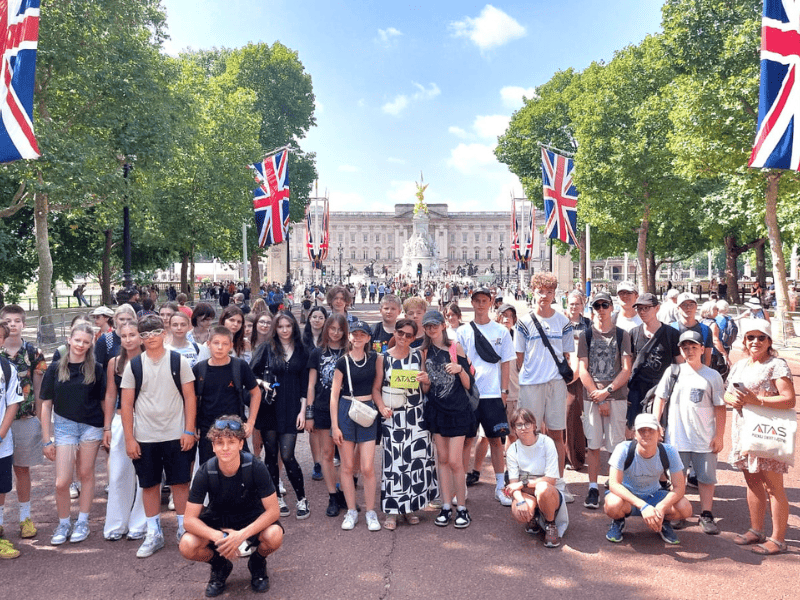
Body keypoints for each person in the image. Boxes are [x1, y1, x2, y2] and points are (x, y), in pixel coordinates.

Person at [120, 315, 197, 558]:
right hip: (145, 437)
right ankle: (153, 532)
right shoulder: (134, 366)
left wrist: (189, 430)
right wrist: (130, 439)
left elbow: (190, 397)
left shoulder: (178, 361)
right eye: (144, 335)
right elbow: (126, 404)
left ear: (164, 333)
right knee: (149, 485)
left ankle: (184, 529)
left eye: (154, 332)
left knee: (180, 483)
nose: (150, 338)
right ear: (140, 339)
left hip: (176, 434)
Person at [179, 416, 283, 596]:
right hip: (219, 520)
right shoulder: (205, 471)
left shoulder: (255, 467)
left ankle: (257, 562)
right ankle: (220, 565)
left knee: (274, 535)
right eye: (219, 443)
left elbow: (274, 511)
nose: (225, 448)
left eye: (231, 442)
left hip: (251, 517)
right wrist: (221, 537)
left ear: (241, 444)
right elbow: (188, 520)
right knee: (187, 545)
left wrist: (241, 535)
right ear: (213, 446)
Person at [723, 319, 795, 555]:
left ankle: (778, 539)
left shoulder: (777, 365)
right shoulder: (740, 365)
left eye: (761, 337)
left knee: (773, 486)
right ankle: (756, 529)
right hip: (744, 431)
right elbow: (727, 392)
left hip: (767, 433)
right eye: (750, 337)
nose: (755, 341)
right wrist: (730, 399)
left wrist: (759, 401)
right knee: (752, 482)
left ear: (769, 341)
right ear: (744, 341)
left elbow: (789, 399)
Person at [653, 330, 725, 535]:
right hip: (678, 436)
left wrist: (719, 436)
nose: (689, 351)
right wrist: (656, 423)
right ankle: (679, 511)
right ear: (680, 350)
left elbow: (720, 408)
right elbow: (660, 398)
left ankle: (706, 513)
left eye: (694, 347)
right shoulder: (673, 371)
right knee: (678, 477)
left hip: (704, 437)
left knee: (706, 478)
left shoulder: (712, 376)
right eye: (685, 347)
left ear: (702, 349)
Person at [40, 322, 106, 545]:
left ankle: (83, 522)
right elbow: (46, 405)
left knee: (85, 473)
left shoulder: (96, 368)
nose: (80, 345)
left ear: (91, 344)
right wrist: (46, 439)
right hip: (64, 426)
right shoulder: (55, 368)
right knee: (62, 482)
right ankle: (63, 523)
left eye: (86, 342)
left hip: (91, 426)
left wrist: (107, 429)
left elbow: (104, 401)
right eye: (77, 340)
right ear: (69, 340)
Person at [515, 273, 574, 502]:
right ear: (533, 292)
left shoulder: (563, 322)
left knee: (557, 433)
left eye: (549, 292)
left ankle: (558, 482)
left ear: (554, 294)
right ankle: (529, 482)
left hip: (556, 383)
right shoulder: (524, 322)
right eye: (541, 291)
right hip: (531, 383)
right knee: (529, 433)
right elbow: (519, 356)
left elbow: (566, 354)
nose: (545, 296)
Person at [250, 311, 310, 520]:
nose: (284, 330)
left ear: (294, 327)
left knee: (287, 455)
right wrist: (263, 383)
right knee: (271, 455)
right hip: (270, 407)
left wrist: (303, 411)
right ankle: (276, 498)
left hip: (292, 408)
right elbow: (250, 374)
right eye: (280, 326)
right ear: (275, 328)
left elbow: (305, 384)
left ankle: (302, 498)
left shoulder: (302, 350)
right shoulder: (266, 348)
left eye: (288, 326)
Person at [457, 288, 514, 505]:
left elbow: (506, 363)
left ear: (490, 303)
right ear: (472, 303)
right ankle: (461, 486)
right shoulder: (463, 331)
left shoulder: (501, 331)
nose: (481, 304)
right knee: (466, 441)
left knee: (496, 441)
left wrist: (504, 391)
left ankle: (500, 487)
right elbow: (460, 363)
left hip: (492, 394)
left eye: (484, 301)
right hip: (470, 393)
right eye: (477, 301)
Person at [380, 317, 437, 530]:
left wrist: (426, 381)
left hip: (416, 417)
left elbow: (425, 390)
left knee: (415, 463)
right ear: (394, 332)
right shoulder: (383, 358)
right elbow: (376, 388)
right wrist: (381, 408)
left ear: (414, 338)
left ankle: (411, 507)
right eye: (400, 332)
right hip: (393, 417)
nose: (403, 337)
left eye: (409, 335)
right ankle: (392, 511)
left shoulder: (418, 355)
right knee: (394, 463)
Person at [330, 320, 388, 531]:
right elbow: (334, 395)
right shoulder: (342, 362)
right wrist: (335, 426)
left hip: (367, 412)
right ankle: (351, 510)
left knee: (367, 467)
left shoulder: (376, 359)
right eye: (355, 334)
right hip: (347, 410)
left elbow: (377, 387)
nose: (358, 338)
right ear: (350, 336)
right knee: (346, 467)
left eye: (362, 334)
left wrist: (381, 407)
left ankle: (371, 511)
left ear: (368, 338)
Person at [418, 311, 474, 528]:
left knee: (454, 461)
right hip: (437, 410)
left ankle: (462, 508)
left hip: (458, 410)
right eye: (427, 326)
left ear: (443, 325)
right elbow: (426, 389)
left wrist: (459, 369)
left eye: (435, 325)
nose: (431, 329)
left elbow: (469, 383)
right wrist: (425, 381)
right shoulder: (424, 351)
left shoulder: (454, 347)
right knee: (441, 459)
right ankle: (446, 505)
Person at [577, 292, 632, 510]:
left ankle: (613, 485)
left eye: (605, 305)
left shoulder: (622, 335)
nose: (601, 309)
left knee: (615, 446)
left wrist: (606, 393)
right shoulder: (586, 335)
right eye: (597, 306)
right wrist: (598, 397)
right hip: (592, 398)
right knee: (593, 445)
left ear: (611, 307)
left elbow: (626, 369)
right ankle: (593, 487)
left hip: (616, 396)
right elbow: (582, 369)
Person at [604, 413, 692, 545]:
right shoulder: (623, 449)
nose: (646, 434)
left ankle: (663, 521)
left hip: (654, 495)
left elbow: (679, 488)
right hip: (628, 498)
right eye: (642, 430)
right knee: (612, 504)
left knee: (685, 508)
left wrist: (662, 507)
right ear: (634, 434)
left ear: (659, 432)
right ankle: (618, 520)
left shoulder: (669, 451)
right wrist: (643, 506)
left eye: (651, 430)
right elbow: (613, 484)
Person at [0, 305, 47, 541]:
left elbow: (38, 390)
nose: (12, 325)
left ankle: (25, 518)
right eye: (8, 321)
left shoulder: (33, 353)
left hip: (24, 419)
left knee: (22, 470)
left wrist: (41, 421)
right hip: (1, 421)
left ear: (24, 324)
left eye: (17, 321)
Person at [101, 320, 147, 541]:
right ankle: (116, 523)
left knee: (145, 474)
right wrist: (107, 426)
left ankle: (140, 523)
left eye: (132, 335)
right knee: (119, 473)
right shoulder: (115, 363)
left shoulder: (149, 359)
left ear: (140, 336)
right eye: (124, 336)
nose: (128, 339)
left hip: (146, 420)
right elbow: (110, 394)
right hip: (120, 420)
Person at [192, 327, 260, 466]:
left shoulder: (239, 366)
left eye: (224, 343)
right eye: (216, 343)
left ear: (231, 346)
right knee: (210, 470)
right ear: (208, 344)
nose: (220, 347)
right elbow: (192, 399)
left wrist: (251, 422)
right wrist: (193, 425)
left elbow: (256, 393)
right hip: (208, 431)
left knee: (240, 468)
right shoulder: (199, 369)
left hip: (235, 428)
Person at [305, 314, 349, 517]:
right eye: (332, 328)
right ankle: (333, 495)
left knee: (347, 456)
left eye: (340, 329)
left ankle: (344, 492)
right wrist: (309, 413)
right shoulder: (317, 353)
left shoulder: (349, 351)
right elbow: (311, 385)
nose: (336, 333)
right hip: (322, 408)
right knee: (327, 454)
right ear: (326, 329)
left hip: (346, 409)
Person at [505, 409, 568, 548]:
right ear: (514, 429)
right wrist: (521, 501)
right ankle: (533, 517)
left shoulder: (547, 442)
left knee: (542, 488)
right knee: (519, 512)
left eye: (527, 423)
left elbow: (551, 480)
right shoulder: (512, 450)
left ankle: (551, 524)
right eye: (519, 425)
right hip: (527, 493)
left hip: (548, 490)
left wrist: (523, 483)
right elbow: (513, 484)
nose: (523, 428)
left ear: (534, 425)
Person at [626, 293, 682, 430]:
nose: (642, 312)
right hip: (637, 391)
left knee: (660, 430)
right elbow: (628, 364)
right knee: (636, 430)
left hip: (661, 390)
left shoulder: (672, 334)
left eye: (646, 308)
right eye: (639, 308)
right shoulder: (633, 333)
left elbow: (680, 365)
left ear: (657, 308)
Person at [0, 326, 23, 558]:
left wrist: (1, 434)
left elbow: (13, 402)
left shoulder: (7, 368)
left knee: (1, 489)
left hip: (1, 443)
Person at [563, 291, 590, 472]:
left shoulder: (588, 324)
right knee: (566, 413)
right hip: (564, 373)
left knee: (579, 415)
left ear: (582, 305)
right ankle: (565, 456)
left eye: (577, 304)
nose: (574, 307)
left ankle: (578, 455)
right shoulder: (560, 322)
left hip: (583, 372)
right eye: (571, 303)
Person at [670, 293, 712, 366]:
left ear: (696, 307)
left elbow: (707, 357)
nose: (688, 308)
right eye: (684, 305)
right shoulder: (671, 329)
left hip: (699, 370)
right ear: (678, 308)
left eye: (691, 304)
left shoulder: (705, 329)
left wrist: (704, 371)